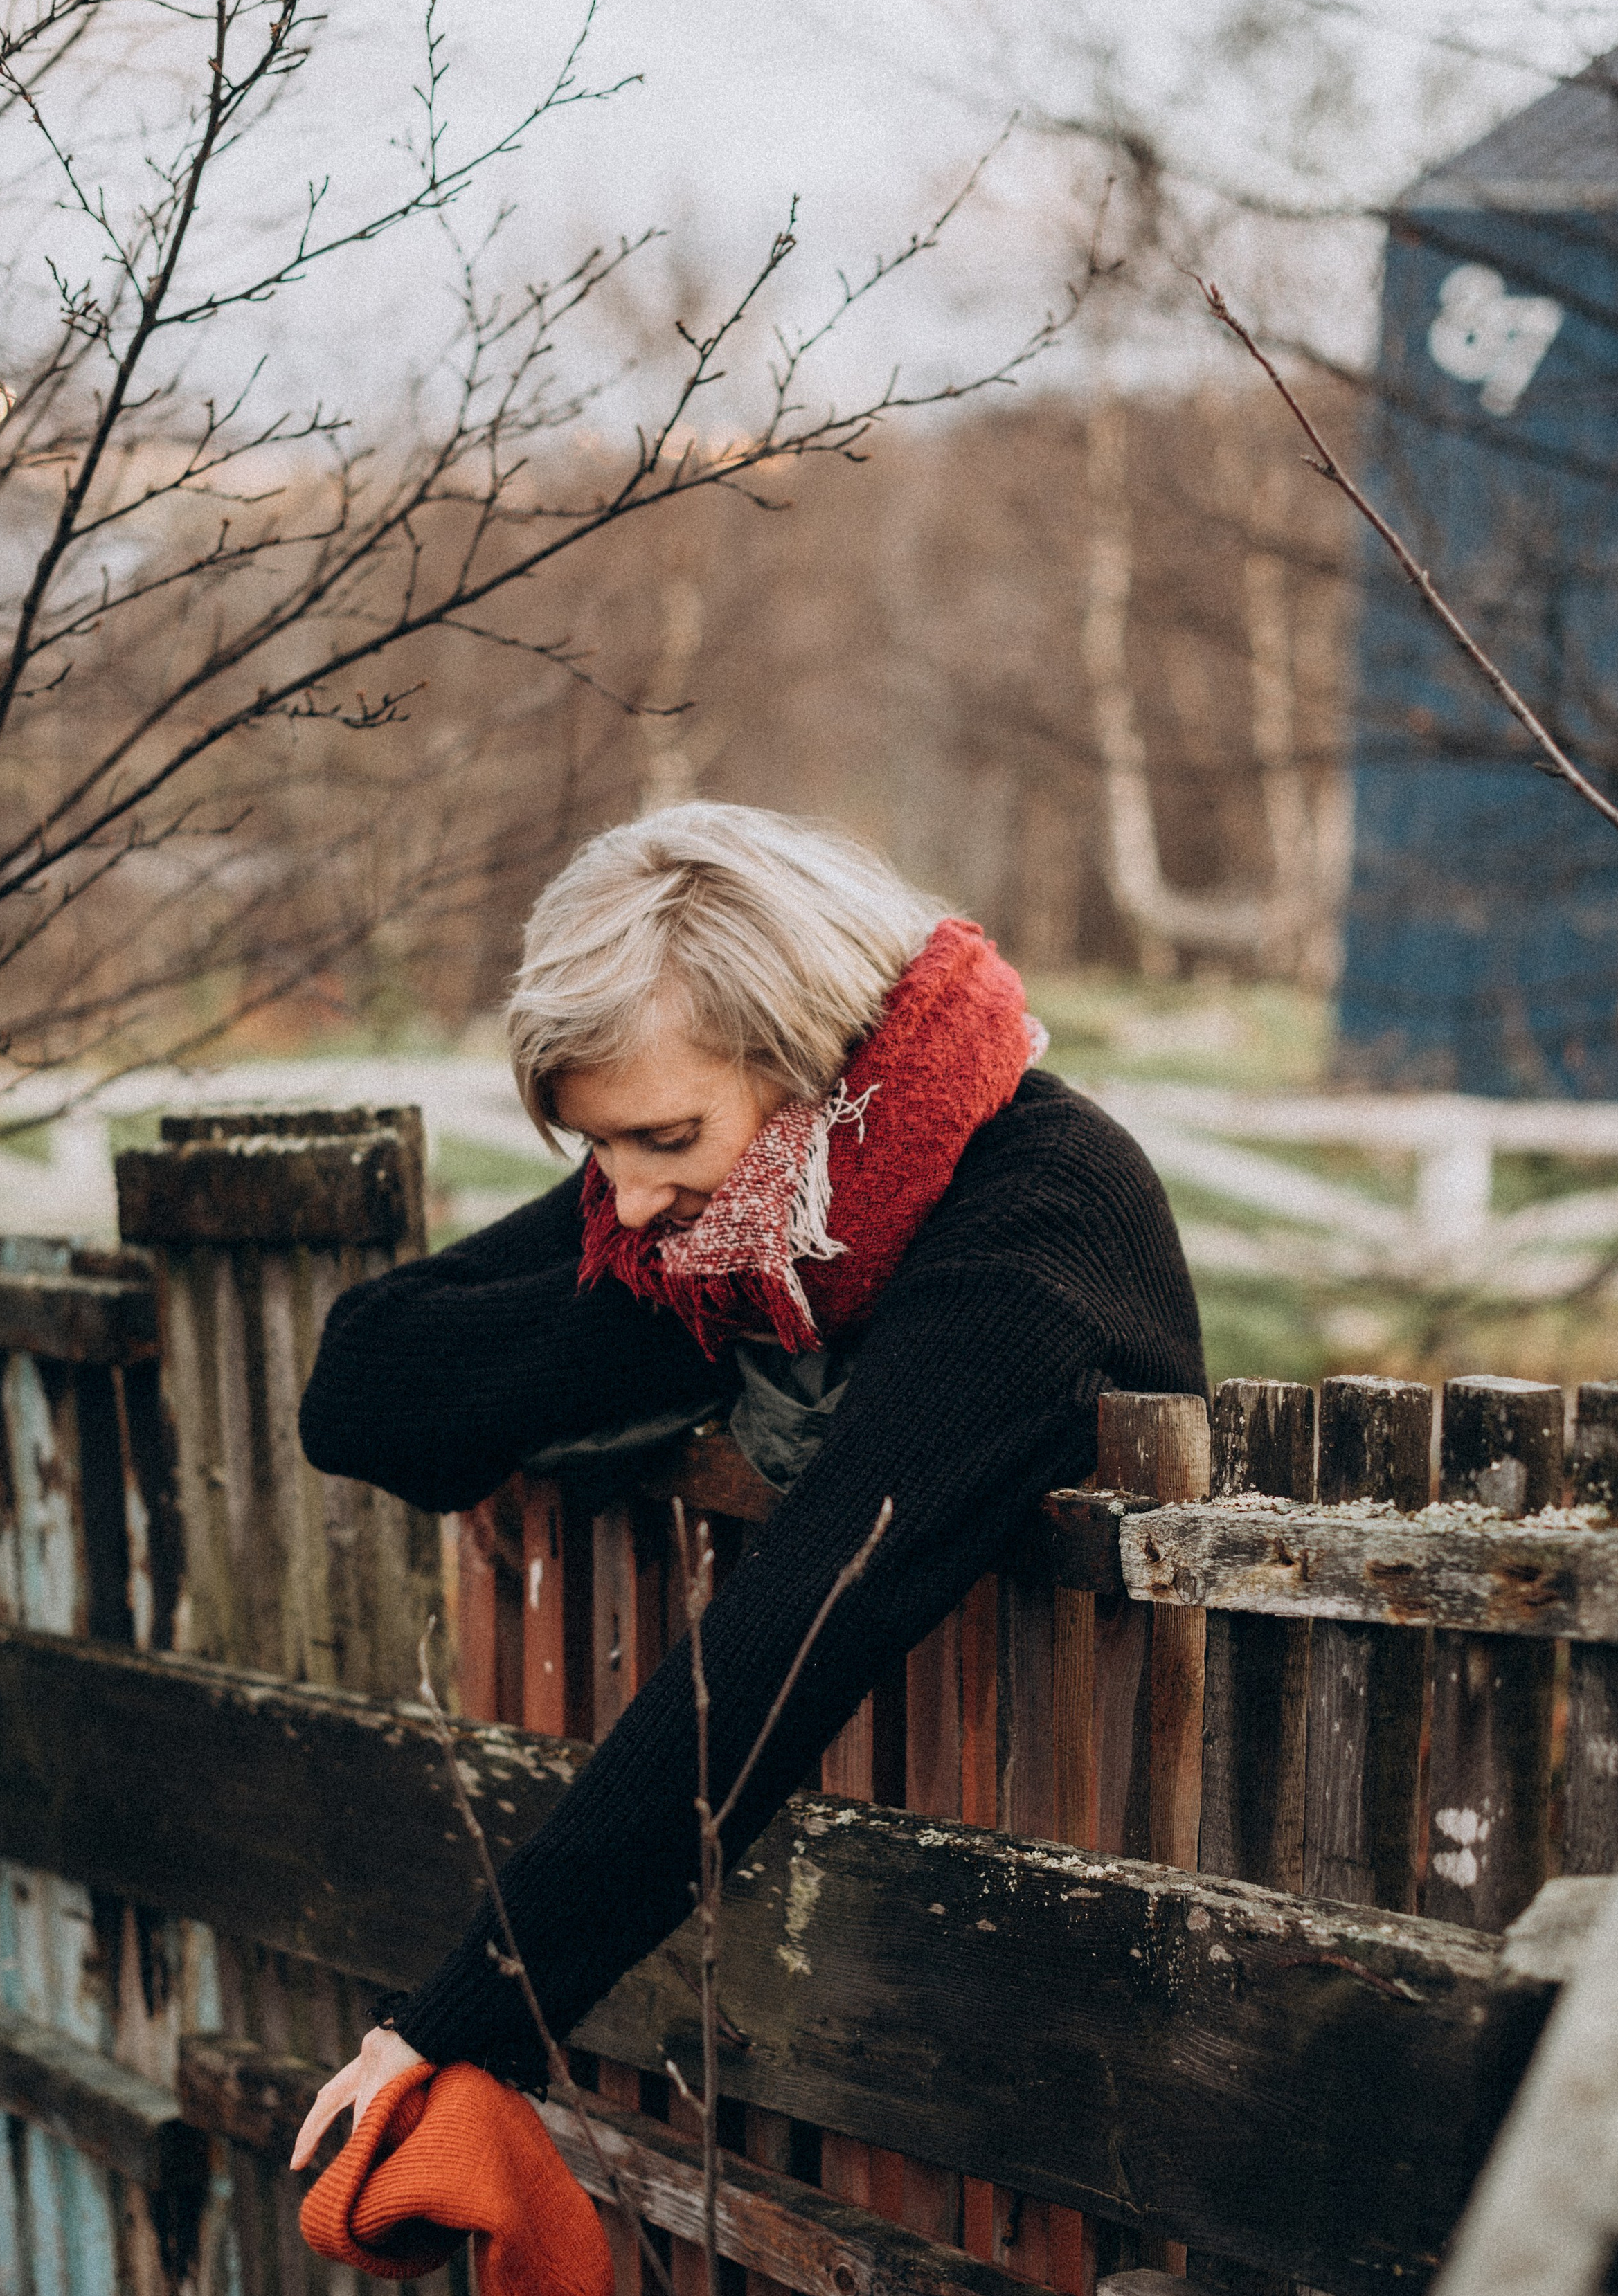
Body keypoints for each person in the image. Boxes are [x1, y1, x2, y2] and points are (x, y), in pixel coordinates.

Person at [289, 801, 1205, 2168]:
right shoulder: (754, 1218)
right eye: (596, 1149)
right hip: (841, 1934)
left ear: (813, 1063)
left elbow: (789, 1638)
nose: (625, 1201)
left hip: (1075, 1961)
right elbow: (366, 1393)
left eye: (663, 1138)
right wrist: (686, 1310)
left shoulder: (1032, 1230)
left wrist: (466, 2021)